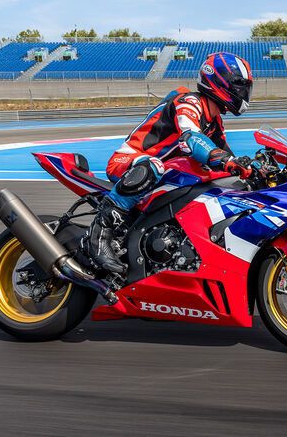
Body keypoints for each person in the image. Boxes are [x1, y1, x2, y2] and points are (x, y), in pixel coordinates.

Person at [82, 52, 254, 275]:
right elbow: (191, 138)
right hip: (130, 160)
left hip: (163, 175)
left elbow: (225, 155)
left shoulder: (214, 121)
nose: (243, 91)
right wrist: (225, 160)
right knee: (154, 166)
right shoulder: (189, 101)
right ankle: (99, 235)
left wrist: (250, 169)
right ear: (221, 82)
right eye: (240, 85)